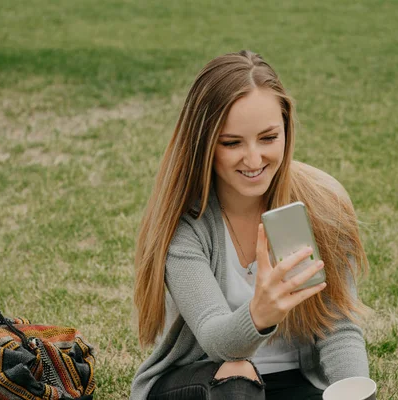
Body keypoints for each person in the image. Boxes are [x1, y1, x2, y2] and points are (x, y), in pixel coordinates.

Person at [130, 50, 370, 400]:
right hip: (205, 383)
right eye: (232, 143)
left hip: (293, 383)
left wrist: (354, 391)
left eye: (269, 138)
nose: (254, 160)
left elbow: (339, 328)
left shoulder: (323, 204)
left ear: (286, 129)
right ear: (204, 144)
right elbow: (216, 341)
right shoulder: (184, 226)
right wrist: (261, 313)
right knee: (238, 375)